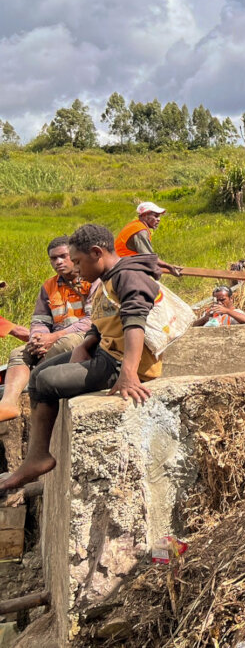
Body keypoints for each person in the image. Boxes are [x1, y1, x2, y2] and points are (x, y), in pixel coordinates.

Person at [0, 224, 163, 493]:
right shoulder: (109, 277)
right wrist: (85, 344)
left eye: (77, 261)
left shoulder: (128, 277)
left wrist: (129, 373)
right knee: (39, 375)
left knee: (48, 382)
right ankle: (37, 457)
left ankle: (37, 458)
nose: (75, 267)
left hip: (120, 362)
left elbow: (135, 324)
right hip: (105, 351)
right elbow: (103, 320)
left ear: (96, 253)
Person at [0, 237, 93, 422]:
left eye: (63, 256)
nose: (58, 262)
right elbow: (39, 320)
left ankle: (35, 382)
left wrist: (52, 337)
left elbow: (92, 321)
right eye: (53, 258)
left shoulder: (91, 279)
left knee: (64, 343)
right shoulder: (48, 286)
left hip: (84, 336)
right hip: (54, 339)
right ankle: (8, 403)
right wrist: (37, 338)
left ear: (74, 256)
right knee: (19, 352)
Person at [115, 201, 181, 276]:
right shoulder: (140, 231)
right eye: (156, 216)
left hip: (121, 263)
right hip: (124, 267)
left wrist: (168, 266)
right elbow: (148, 258)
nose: (158, 219)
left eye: (159, 216)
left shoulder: (135, 225)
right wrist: (168, 267)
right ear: (145, 215)